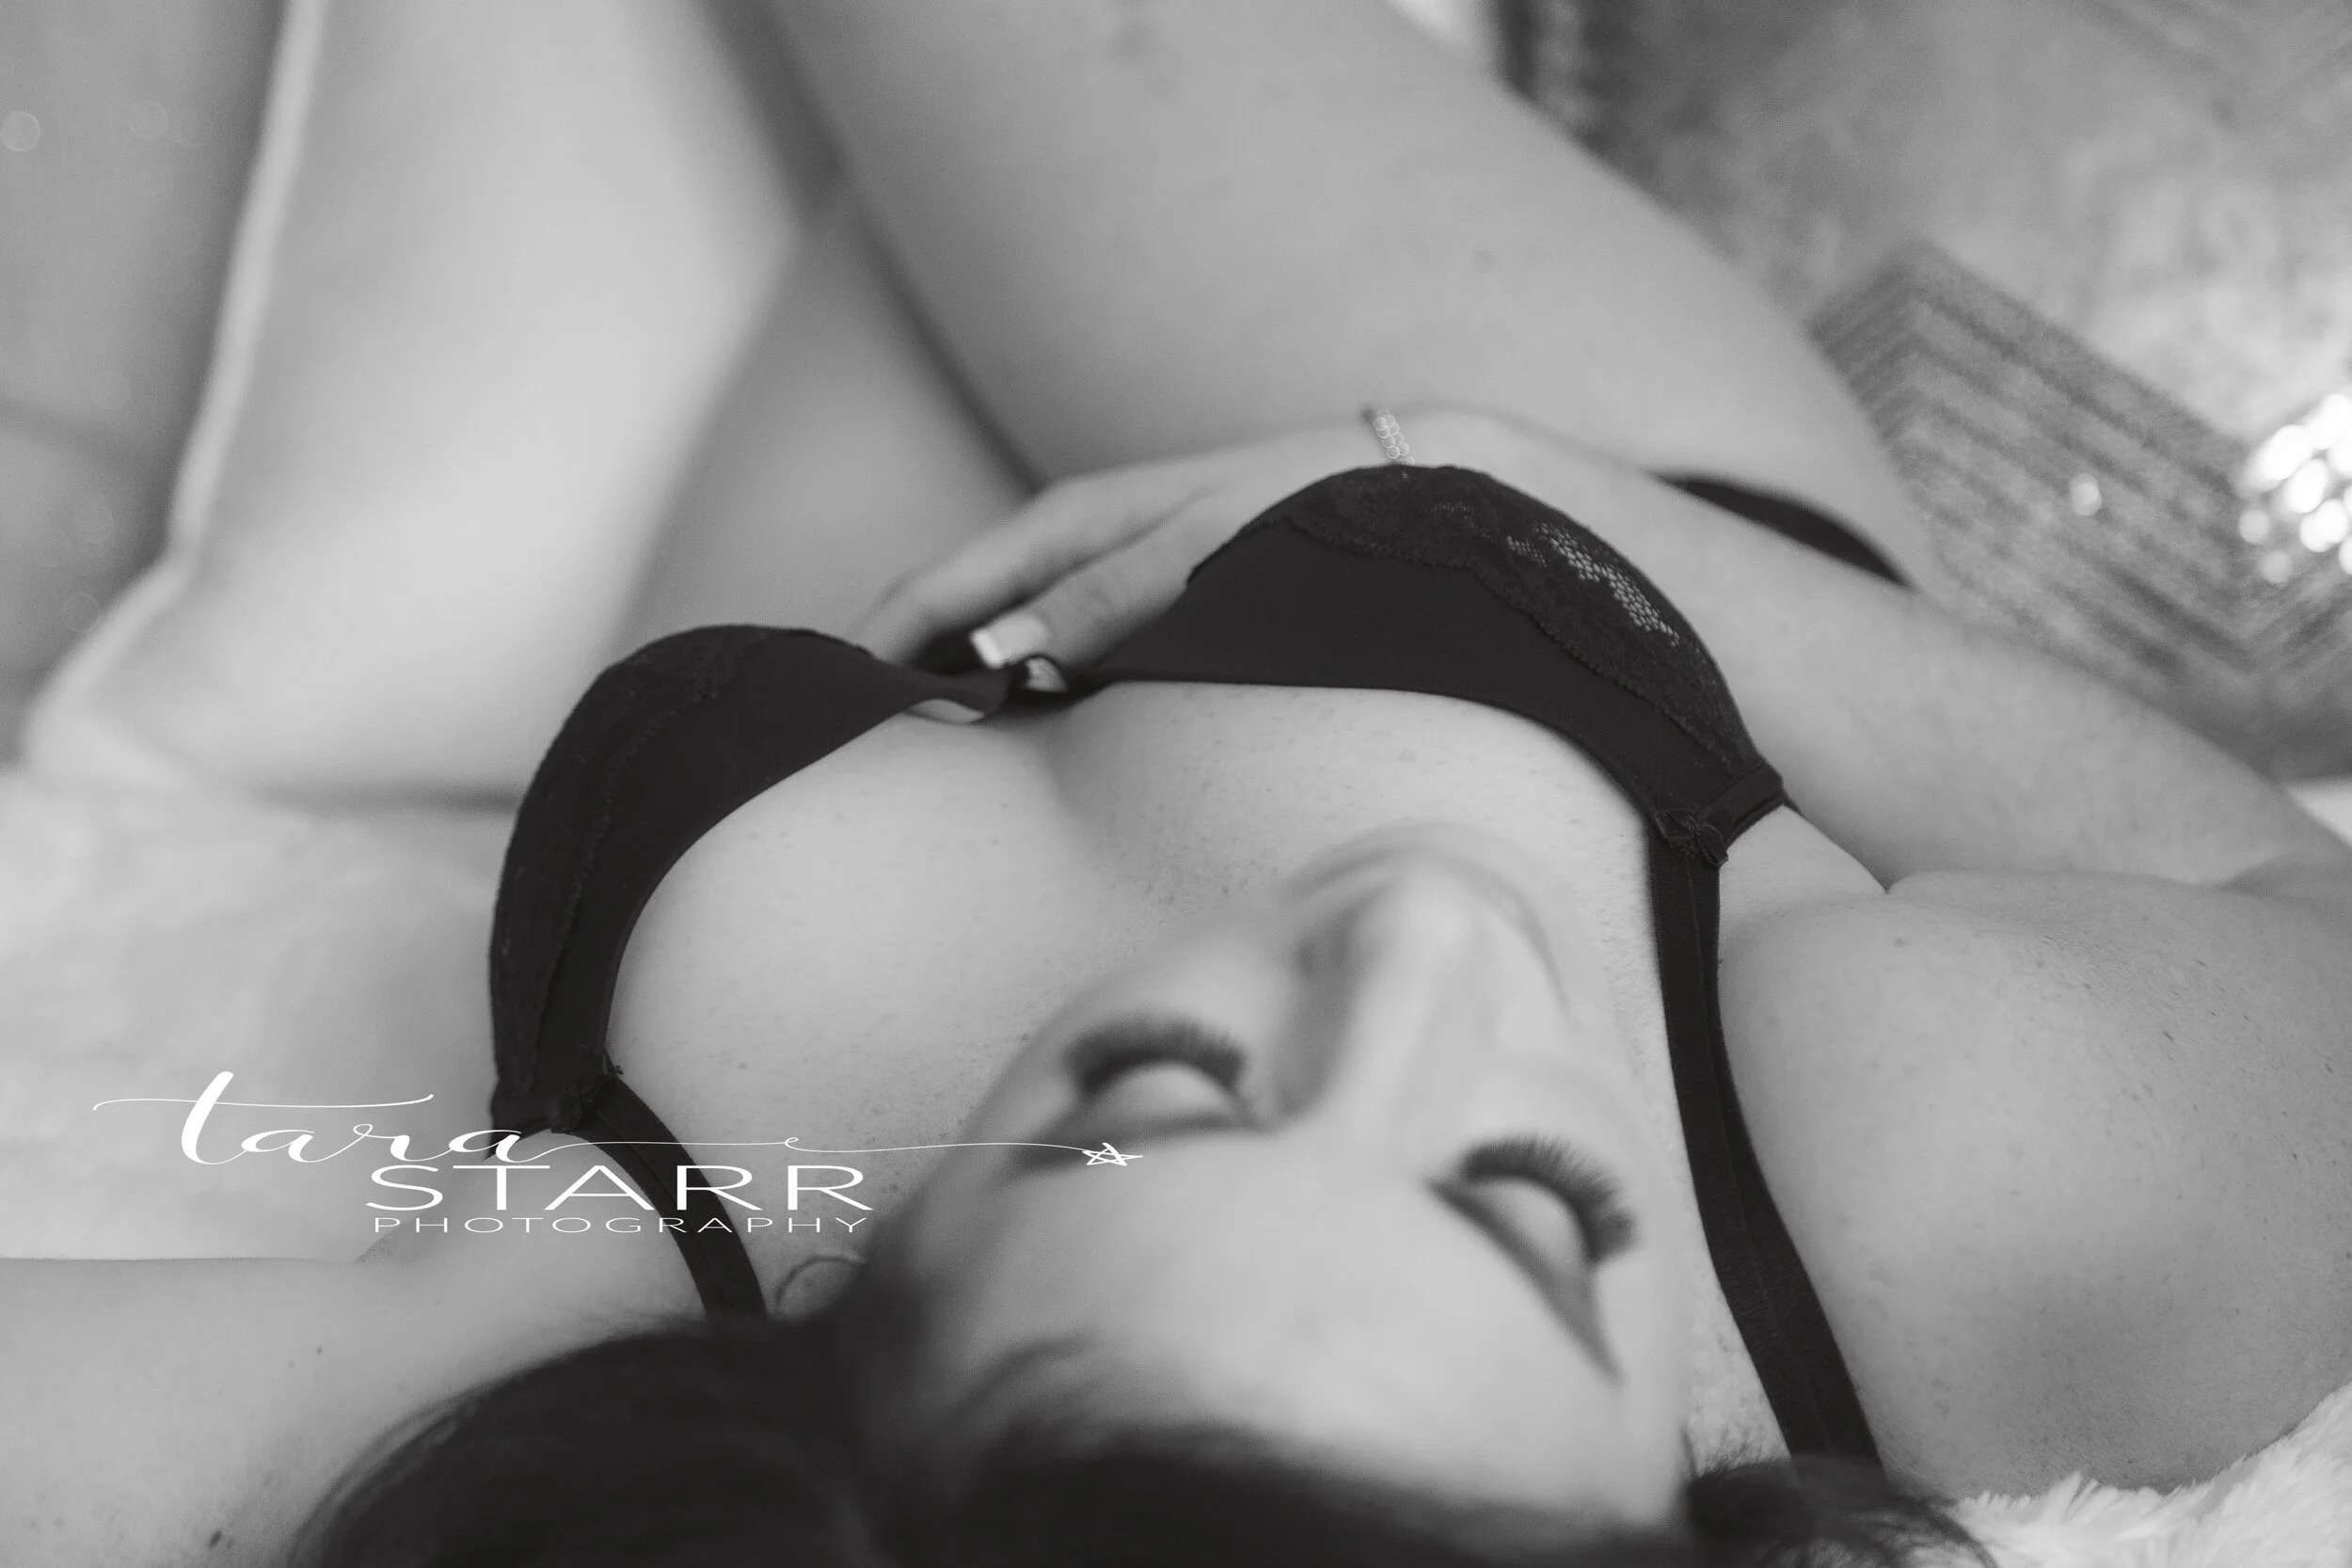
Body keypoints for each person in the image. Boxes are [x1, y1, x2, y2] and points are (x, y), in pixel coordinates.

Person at [8, 5, 2352, 1565]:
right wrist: (1558, 497)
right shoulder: (1962, 1199)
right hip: (1526, 562)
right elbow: (2292, 887)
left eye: (1158, 1091)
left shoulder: (557, 1350)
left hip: (883, 638)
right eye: (1540, 1206)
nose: (1418, 940)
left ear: (859, 1336)